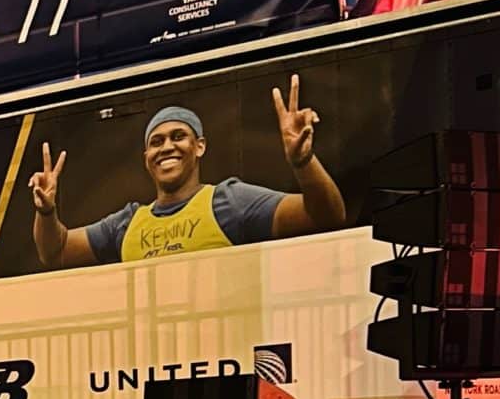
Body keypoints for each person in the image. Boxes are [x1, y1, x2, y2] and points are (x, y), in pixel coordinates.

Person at [31, 74, 344, 268]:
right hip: (152, 366)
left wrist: (303, 162)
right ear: (146, 158)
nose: (167, 147)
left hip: (222, 361)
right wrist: (46, 212)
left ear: (200, 147)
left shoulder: (230, 202)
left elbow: (326, 216)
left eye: (179, 136)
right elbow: (54, 253)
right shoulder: (125, 224)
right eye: (156, 142)